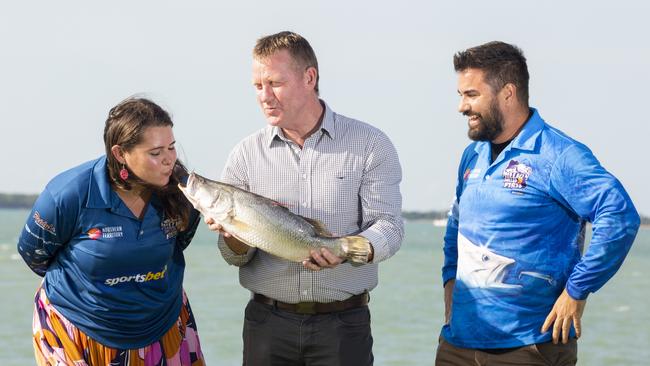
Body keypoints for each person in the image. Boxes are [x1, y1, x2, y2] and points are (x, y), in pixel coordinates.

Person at [435, 41, 640, 365]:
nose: (462, 106)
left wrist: (577, 290)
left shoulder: (559, 154)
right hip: (458, 344)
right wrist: (450, 280)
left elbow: (619, 216)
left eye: (471, 94)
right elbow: (456, 223)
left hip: (531, 346)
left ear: (507, 93)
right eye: (460, 95)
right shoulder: (472, 155)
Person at [205, 31, 403, 365]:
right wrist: (232, 237)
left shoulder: (370, 144)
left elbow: (389, 227)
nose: (265, 96)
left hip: (343, 326)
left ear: (309, 77)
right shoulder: (244, 155)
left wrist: (349, 250)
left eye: (275, 83)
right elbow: (234, 256)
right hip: (266, 325)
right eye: (257, 86)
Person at [17, 97, 205, 366]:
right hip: (79, 330)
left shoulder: (183, 191)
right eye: (155, 153)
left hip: (163, 326)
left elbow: (179, 243)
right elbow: (33, 254)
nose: (168, 160)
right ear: (120, 154)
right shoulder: (68, 193)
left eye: (171, 147)